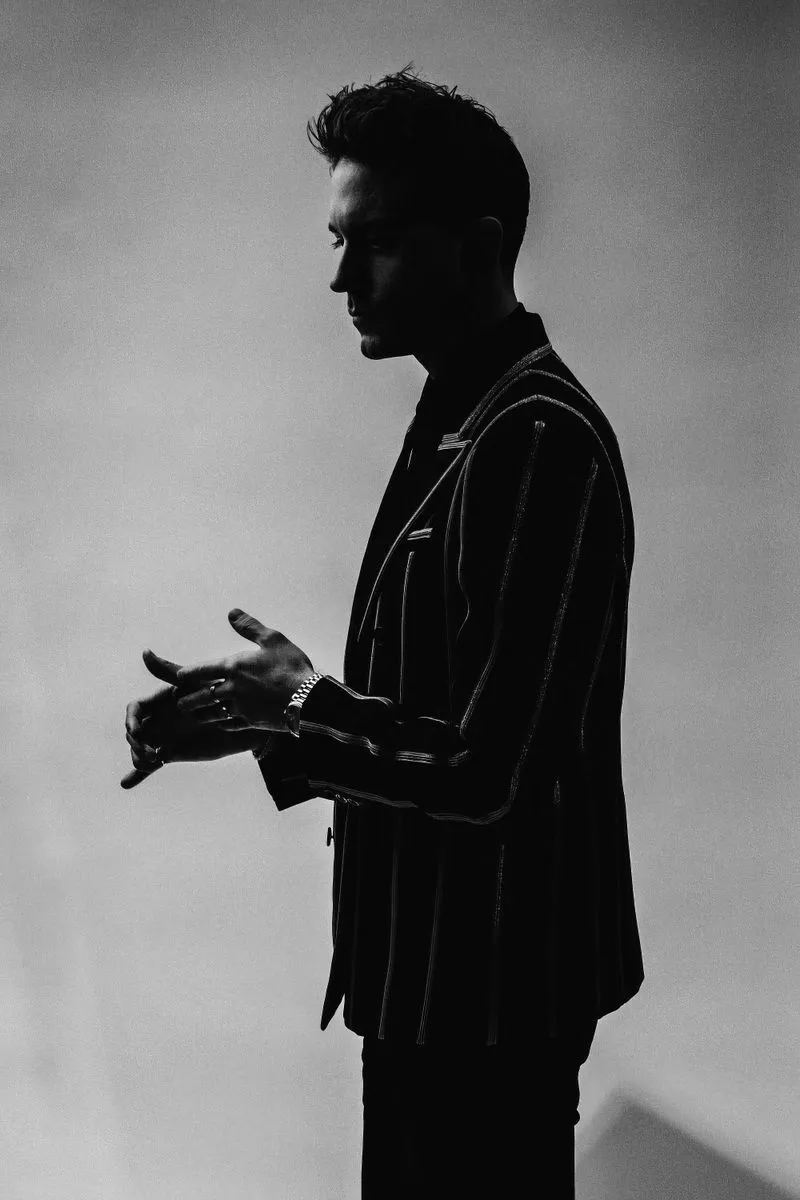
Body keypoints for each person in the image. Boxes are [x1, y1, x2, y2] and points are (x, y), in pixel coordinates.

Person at [122, 67, 644, 1199]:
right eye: (339, 241)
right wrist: (266, 720)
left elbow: (491, 771)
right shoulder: (462, 414)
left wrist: (302, 707)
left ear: (481, 246)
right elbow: (442, 719)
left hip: (488, 1011)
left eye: (381, 243)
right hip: (428, 991)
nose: (341, 277)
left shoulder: (533, 439)